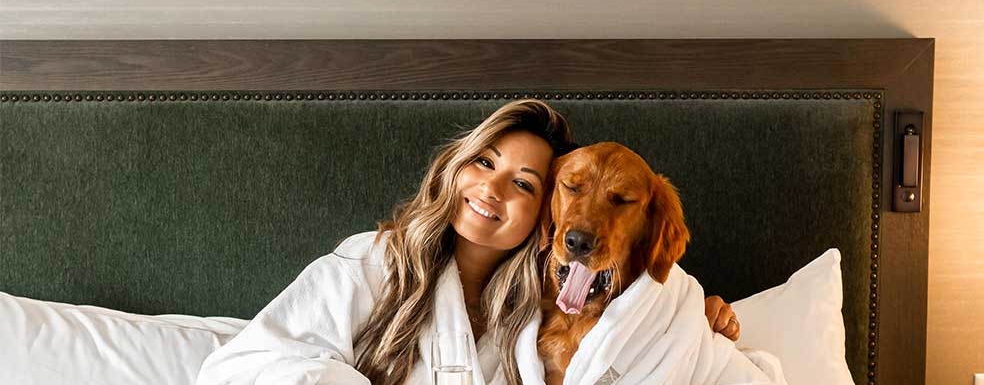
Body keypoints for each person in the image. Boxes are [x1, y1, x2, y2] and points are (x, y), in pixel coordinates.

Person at [194, 99, 739, 385]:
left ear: (542, 213)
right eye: (484, 162)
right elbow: (241, 370)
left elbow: (638, 332)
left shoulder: (537, 310)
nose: (492, 189)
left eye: (523, 184)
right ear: (455, 167)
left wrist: (694, 315)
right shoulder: (371, 265)